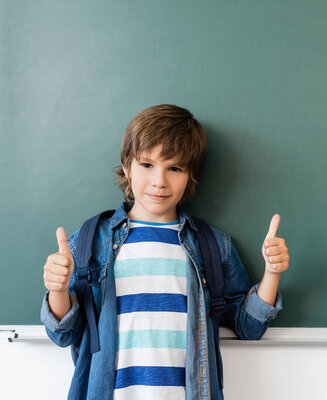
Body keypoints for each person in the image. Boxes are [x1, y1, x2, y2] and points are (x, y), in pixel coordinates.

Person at [40, 104, 289, 400]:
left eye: (175, 168)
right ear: (127, 165)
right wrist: (57, 290)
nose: (160, 181)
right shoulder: (90, 242)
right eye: (147, 165)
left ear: (191, 176)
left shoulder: (212, 246)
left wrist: (272, 274)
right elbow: (64, 334)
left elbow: (248, 327)